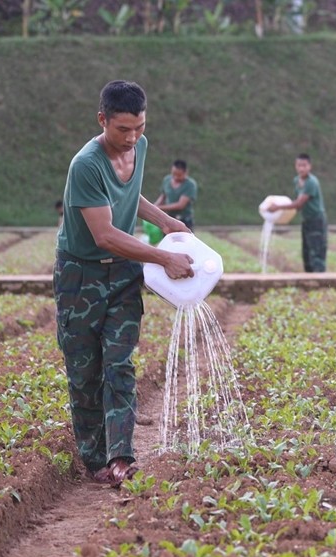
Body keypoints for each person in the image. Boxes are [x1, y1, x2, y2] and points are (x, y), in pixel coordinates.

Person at [54, 80, 194, 487]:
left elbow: (129, 196)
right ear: (102, 120)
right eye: (122, 130)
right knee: (85, 372)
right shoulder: (86, 164)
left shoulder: (140, 148)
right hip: (81, 275)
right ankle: (94, 458)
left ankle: (120, 457)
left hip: (124, 273)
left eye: (139, 127)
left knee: (119, 365)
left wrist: (165, 221)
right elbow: (107, 234)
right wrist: (165, 256)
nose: (132, 137)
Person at [267, 153, 327, 272]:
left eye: (304, 165)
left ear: (309, 167)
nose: (301, 168)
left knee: (316, 252)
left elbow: (299, 203)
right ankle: (309, 279)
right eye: (299, 165)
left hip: (316, 220)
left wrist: (278, 207)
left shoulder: (311, 182)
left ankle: (320, 281)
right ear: (295, 166)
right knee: (307, 252)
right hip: (306, 219)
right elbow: (297, 204)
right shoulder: (297, 181)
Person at [154, 159, 198, 232]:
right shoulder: (167, 180)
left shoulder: (190, 185)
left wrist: (160, 208)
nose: (176, 177)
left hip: (184, 220)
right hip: (168, 218)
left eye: (179, 175)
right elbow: (163, 196)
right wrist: (154, 206)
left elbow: (180, 205)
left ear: (186, 172)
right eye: (174, 174)